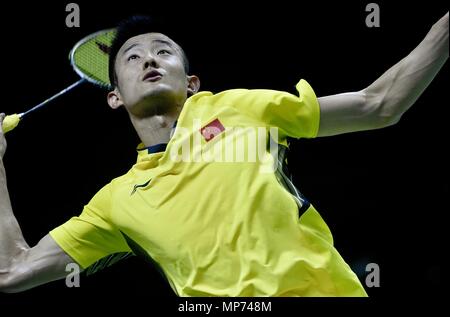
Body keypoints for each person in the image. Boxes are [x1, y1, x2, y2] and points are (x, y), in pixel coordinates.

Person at [0, 13, 448, 296]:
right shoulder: (117, 202)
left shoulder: (235, 108)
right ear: (115, 96)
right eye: (133, 57)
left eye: (164, 52)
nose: (149, 60)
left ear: (191, 82)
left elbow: (379, 105)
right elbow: (12, 271)